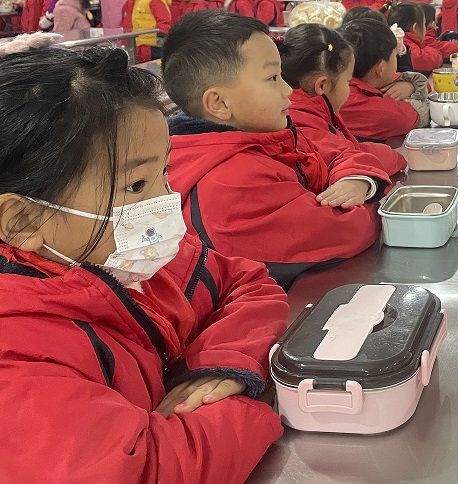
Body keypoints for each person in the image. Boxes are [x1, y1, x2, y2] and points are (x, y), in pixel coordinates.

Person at [0, 46, 288, 482]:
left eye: (164, 173)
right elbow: (143, 471)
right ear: (24, 220)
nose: (164, 202)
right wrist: (252, 401)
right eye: (136, 185)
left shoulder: (138, 261)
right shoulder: (18, 356)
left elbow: (248, 282)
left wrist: (223, 366)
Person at [162, 11, 385, 289]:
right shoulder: (230, 186)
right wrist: (378, 205)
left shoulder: (269, 136)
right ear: (219, 103)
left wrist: (358, 180)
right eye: (272, 78)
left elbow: (337, 153)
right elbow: (345, 232)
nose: (288, 90)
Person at [279, 23, 405, 179]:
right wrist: (397, 158)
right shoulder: (301, 126)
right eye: (348, 81)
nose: (349, 89)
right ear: (322, 85)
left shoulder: (312, 112)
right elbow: (351, 158)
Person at [338, 18, 431, 141]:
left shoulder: (357, 83)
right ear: (380, 69)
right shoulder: (363, 105)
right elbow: (416, 115)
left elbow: (425, 85)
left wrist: (410, 85)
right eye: (395, 56)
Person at [390, 3, 441, 75]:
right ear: (415, 27)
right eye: (424, 24)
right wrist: (430, 33)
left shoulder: (403, 41)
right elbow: (432, 61)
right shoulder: (405, 45)